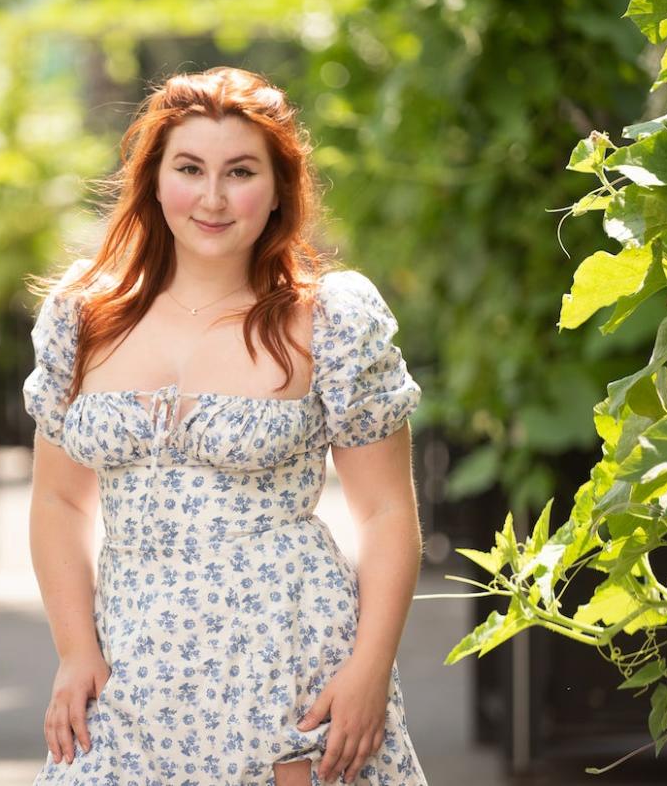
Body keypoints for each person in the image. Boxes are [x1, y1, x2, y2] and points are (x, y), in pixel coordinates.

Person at [22, 66, 427, 786]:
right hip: (128, 670)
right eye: (189, 169)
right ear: (153, 179)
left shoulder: (325, 320)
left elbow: (389, 510)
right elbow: (57, 500)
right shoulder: (82, 317)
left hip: (288, 664)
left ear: (277, 190)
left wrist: (369, 668)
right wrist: (75, 649)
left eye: (240, 172)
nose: (211, 197)